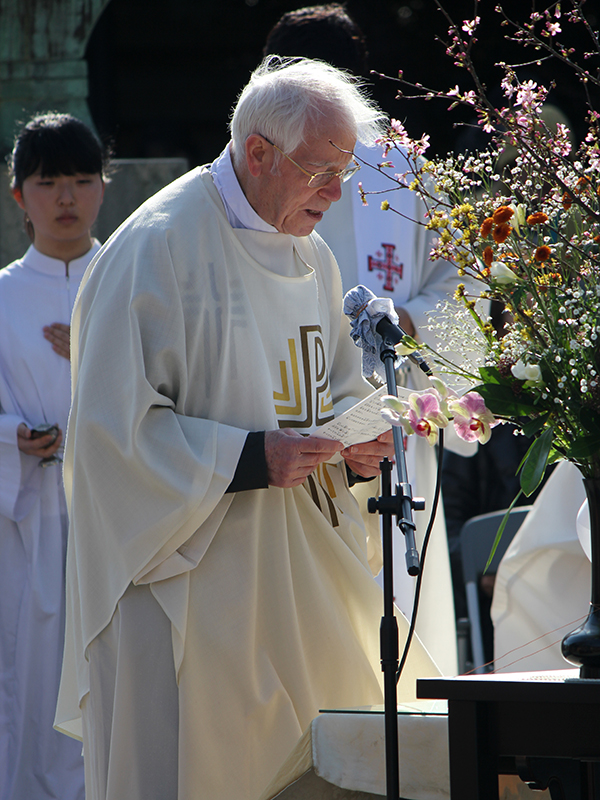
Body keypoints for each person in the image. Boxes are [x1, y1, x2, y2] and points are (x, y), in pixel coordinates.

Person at [55, 58, 440, 800]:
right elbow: (109, 436)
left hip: (300, 572)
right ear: (257, 153)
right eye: (321, 171)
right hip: (190, 582)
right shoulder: (156, 248)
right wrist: (251, 457)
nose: (336, 193)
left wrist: (357, 449)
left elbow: (335, 387)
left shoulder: (311, 255)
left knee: (342, 764)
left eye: (343, 172)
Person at [263, 3, 468, 676]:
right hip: (298, 428)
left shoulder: (407, 173)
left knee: (404, 623)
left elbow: (458, 290)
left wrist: (404, 324)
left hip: (393, 422)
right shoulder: (251, 173)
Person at [0, 112, 107, 800]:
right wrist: (13, 434)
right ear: (19, 197)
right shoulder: (4, 296)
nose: (65, 199)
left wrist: (98, 354)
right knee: (31, 679)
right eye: (47, 183)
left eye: (80, 180)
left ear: (104, 187)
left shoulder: (130, 280)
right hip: (28, 518)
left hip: (118, 513)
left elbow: (182, 387)